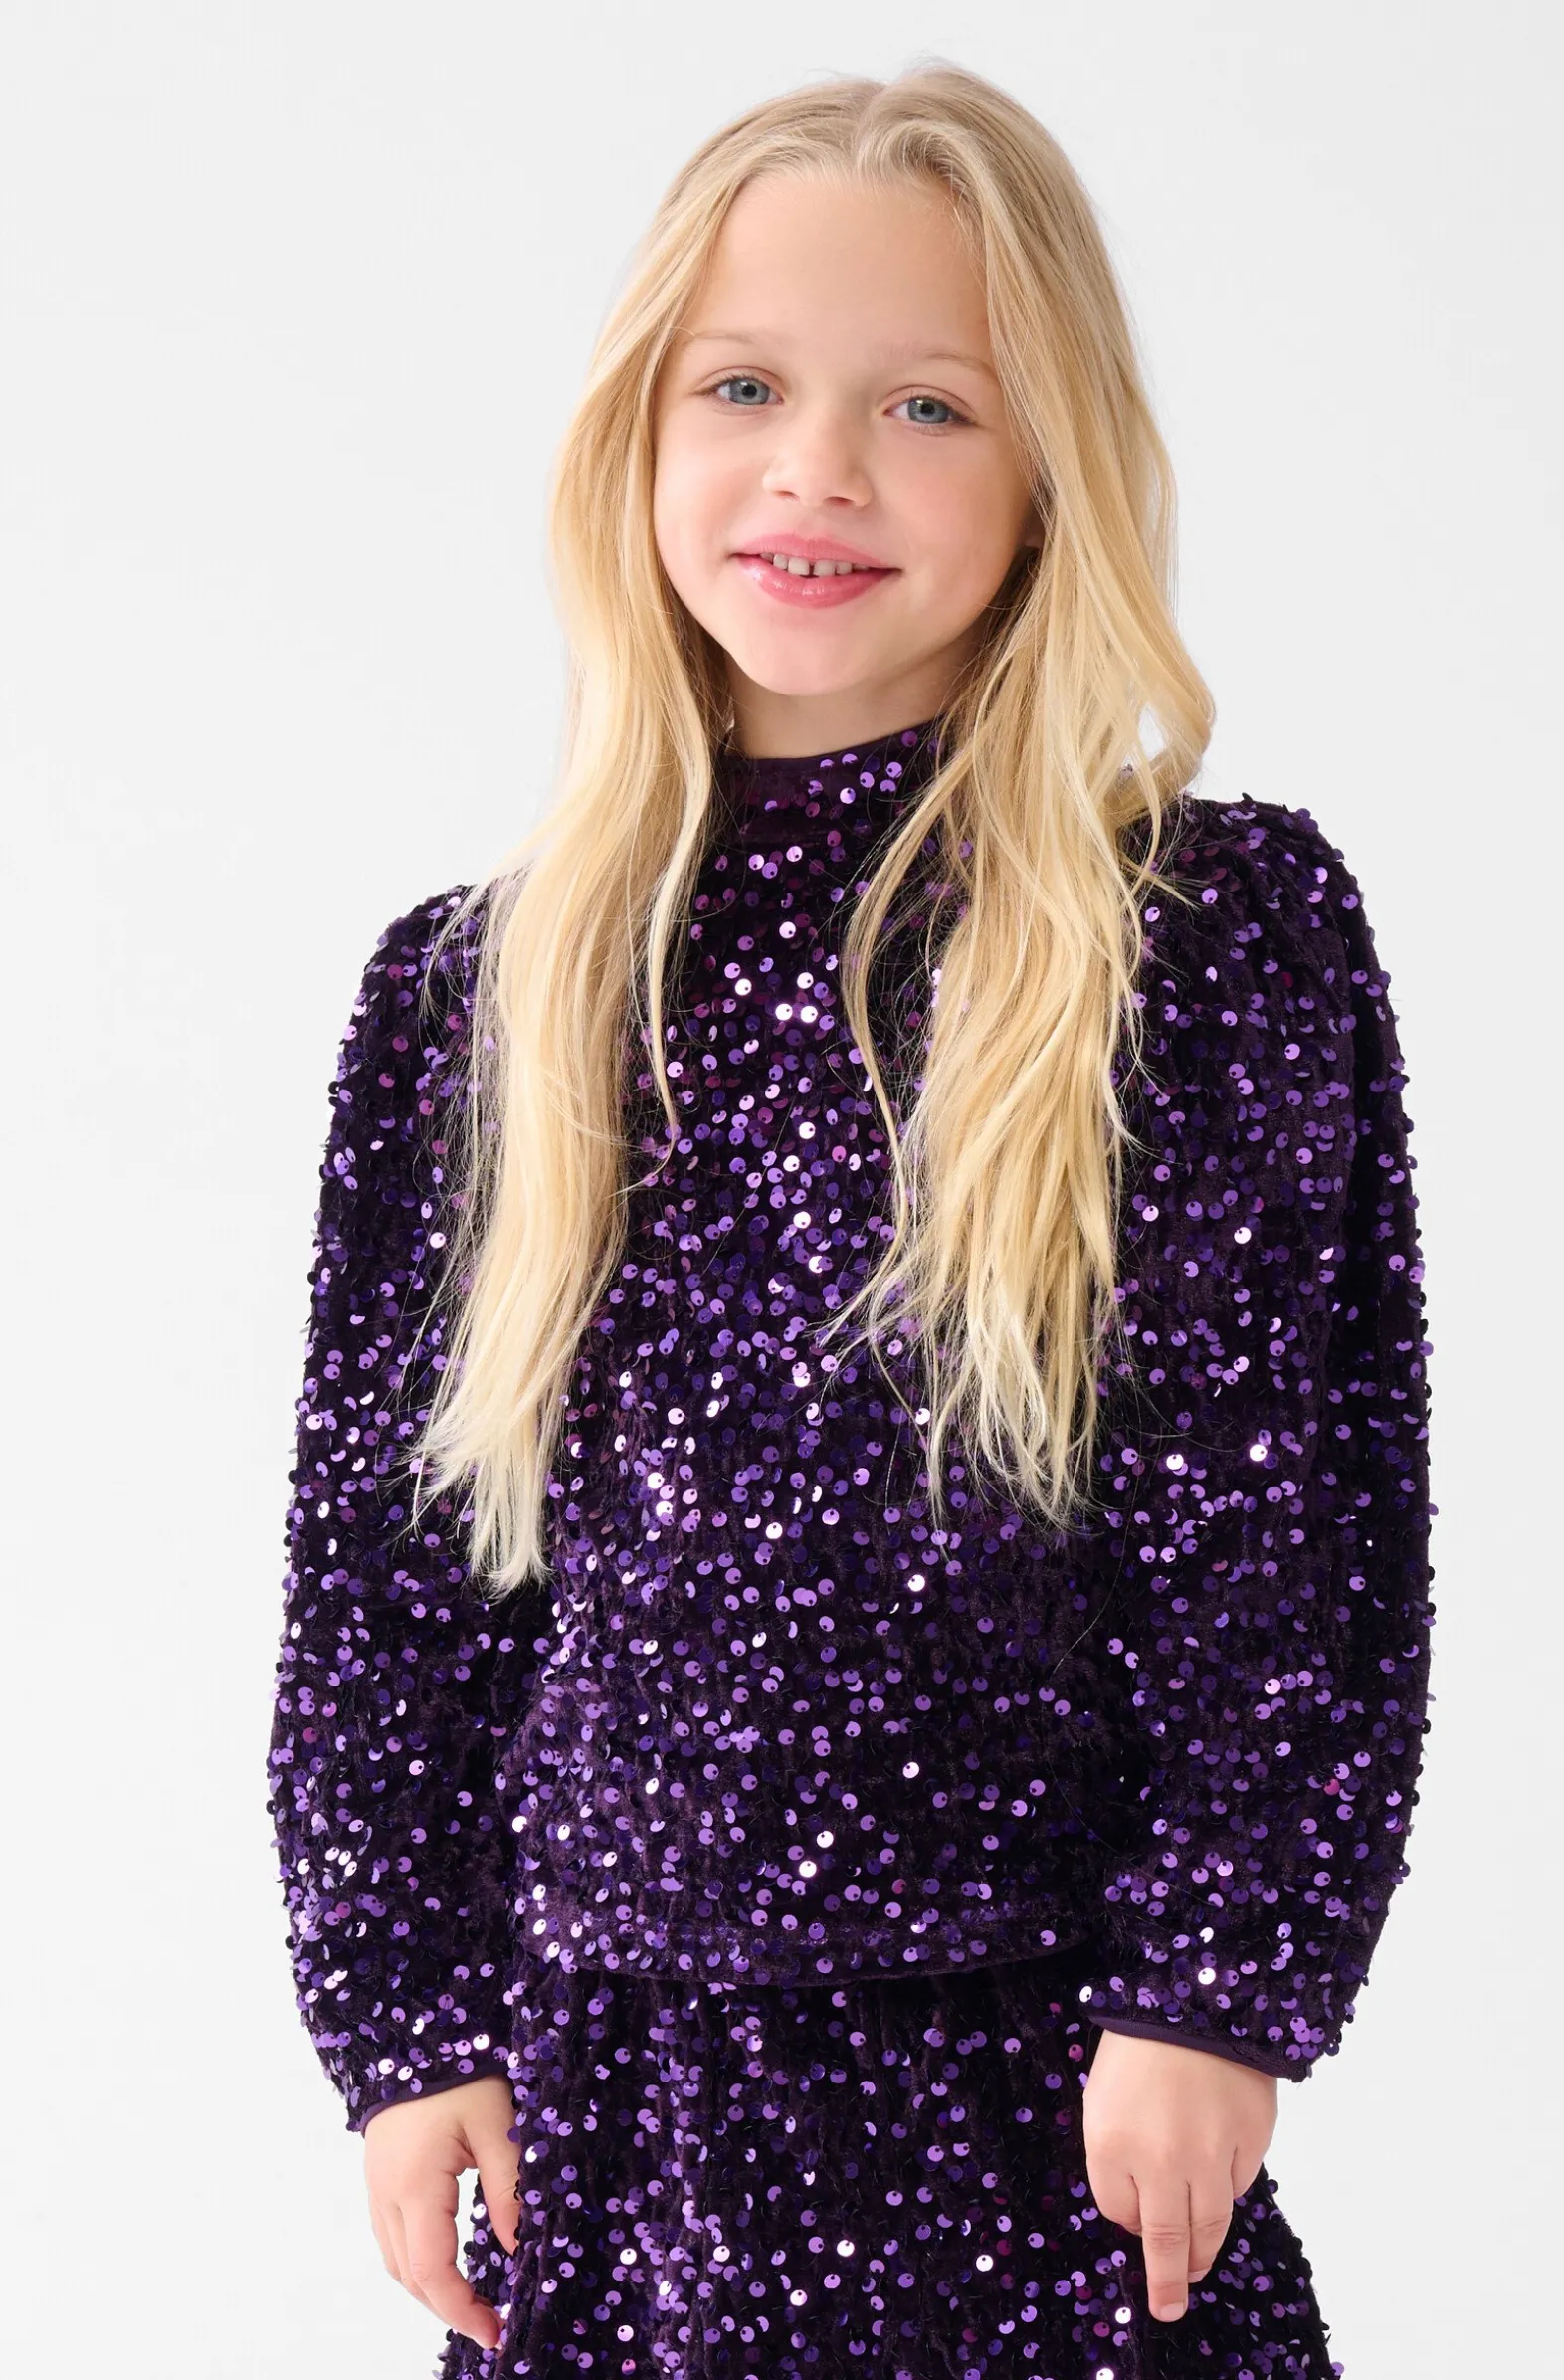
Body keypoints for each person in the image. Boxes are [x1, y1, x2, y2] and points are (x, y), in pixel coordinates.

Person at [267, 57, 1436, 2380]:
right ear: (635, 434)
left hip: (1045, 2097)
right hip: (613, 2129)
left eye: (926, 405)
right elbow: (388, 1579)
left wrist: (1218, 1983)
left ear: (1048, 470)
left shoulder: (1200, 940)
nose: (818, 467)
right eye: (743, 387)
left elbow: (1293, 1525)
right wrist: (403, 2025)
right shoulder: (480, 993)